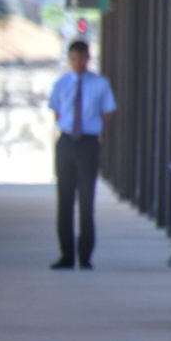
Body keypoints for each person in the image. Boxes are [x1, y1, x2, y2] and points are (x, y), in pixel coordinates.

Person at [46, 39, 115, 270]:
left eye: (82, 59)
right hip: (66, 143)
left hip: (88, 144)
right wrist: (69, 129)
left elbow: (107, 113)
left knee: (87, 201)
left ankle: (85, 255)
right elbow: (56, 112)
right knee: (64, 200)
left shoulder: (100, 84)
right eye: (74, 59)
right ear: (69, 59)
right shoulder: (61, 84)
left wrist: (89, 128)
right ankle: (66, 255)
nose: (78, 63)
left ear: (88, 58)